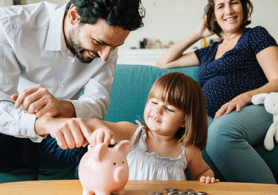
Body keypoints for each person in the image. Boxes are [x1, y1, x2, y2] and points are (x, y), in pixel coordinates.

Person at [0, 0, 144, 177]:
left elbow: (97, 105)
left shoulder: (106, 48)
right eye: (98, 42)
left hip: (55, 143)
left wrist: (63, 107)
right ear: (74, 15)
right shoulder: (9, 25)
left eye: (114, 48)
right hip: (6, 137)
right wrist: (46, 123)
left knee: (100, 145)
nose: (105, 56)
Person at [155, 0, 278, 184]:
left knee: (220, 136)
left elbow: (276, 80)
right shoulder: (209, 51)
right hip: (213, 116)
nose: (228, 10)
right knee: (185, 138)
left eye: (234, 3)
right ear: (212, 15)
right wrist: (198, 33)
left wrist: (245, 97)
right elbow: (163, 62)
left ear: (243, 7)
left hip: (256, 106)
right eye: (220, 6)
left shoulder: (255, 35)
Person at [86, 72, 219, 183]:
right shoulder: (133, 134)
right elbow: (92, 123)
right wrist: (101, 130)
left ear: (185, 121)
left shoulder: (187, 150)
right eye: (154, 102)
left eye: (169, 109)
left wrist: (206, 178)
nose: (157, 110)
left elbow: (203, 172)